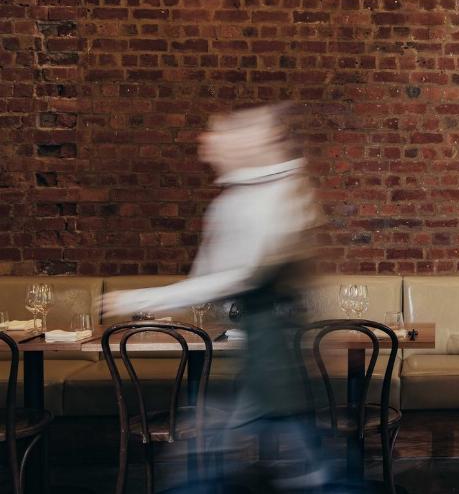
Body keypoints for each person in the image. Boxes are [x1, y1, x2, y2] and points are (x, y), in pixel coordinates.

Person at [102, 103, 327, 491]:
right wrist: (153, 300)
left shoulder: (273, 195)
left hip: (274, 347)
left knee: (218, 459)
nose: (207, 140)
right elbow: (208, 277)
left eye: (222, 133)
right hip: (258, 350)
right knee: (286, 454)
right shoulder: (236, 199)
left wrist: (140, 299)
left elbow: (235, 276)